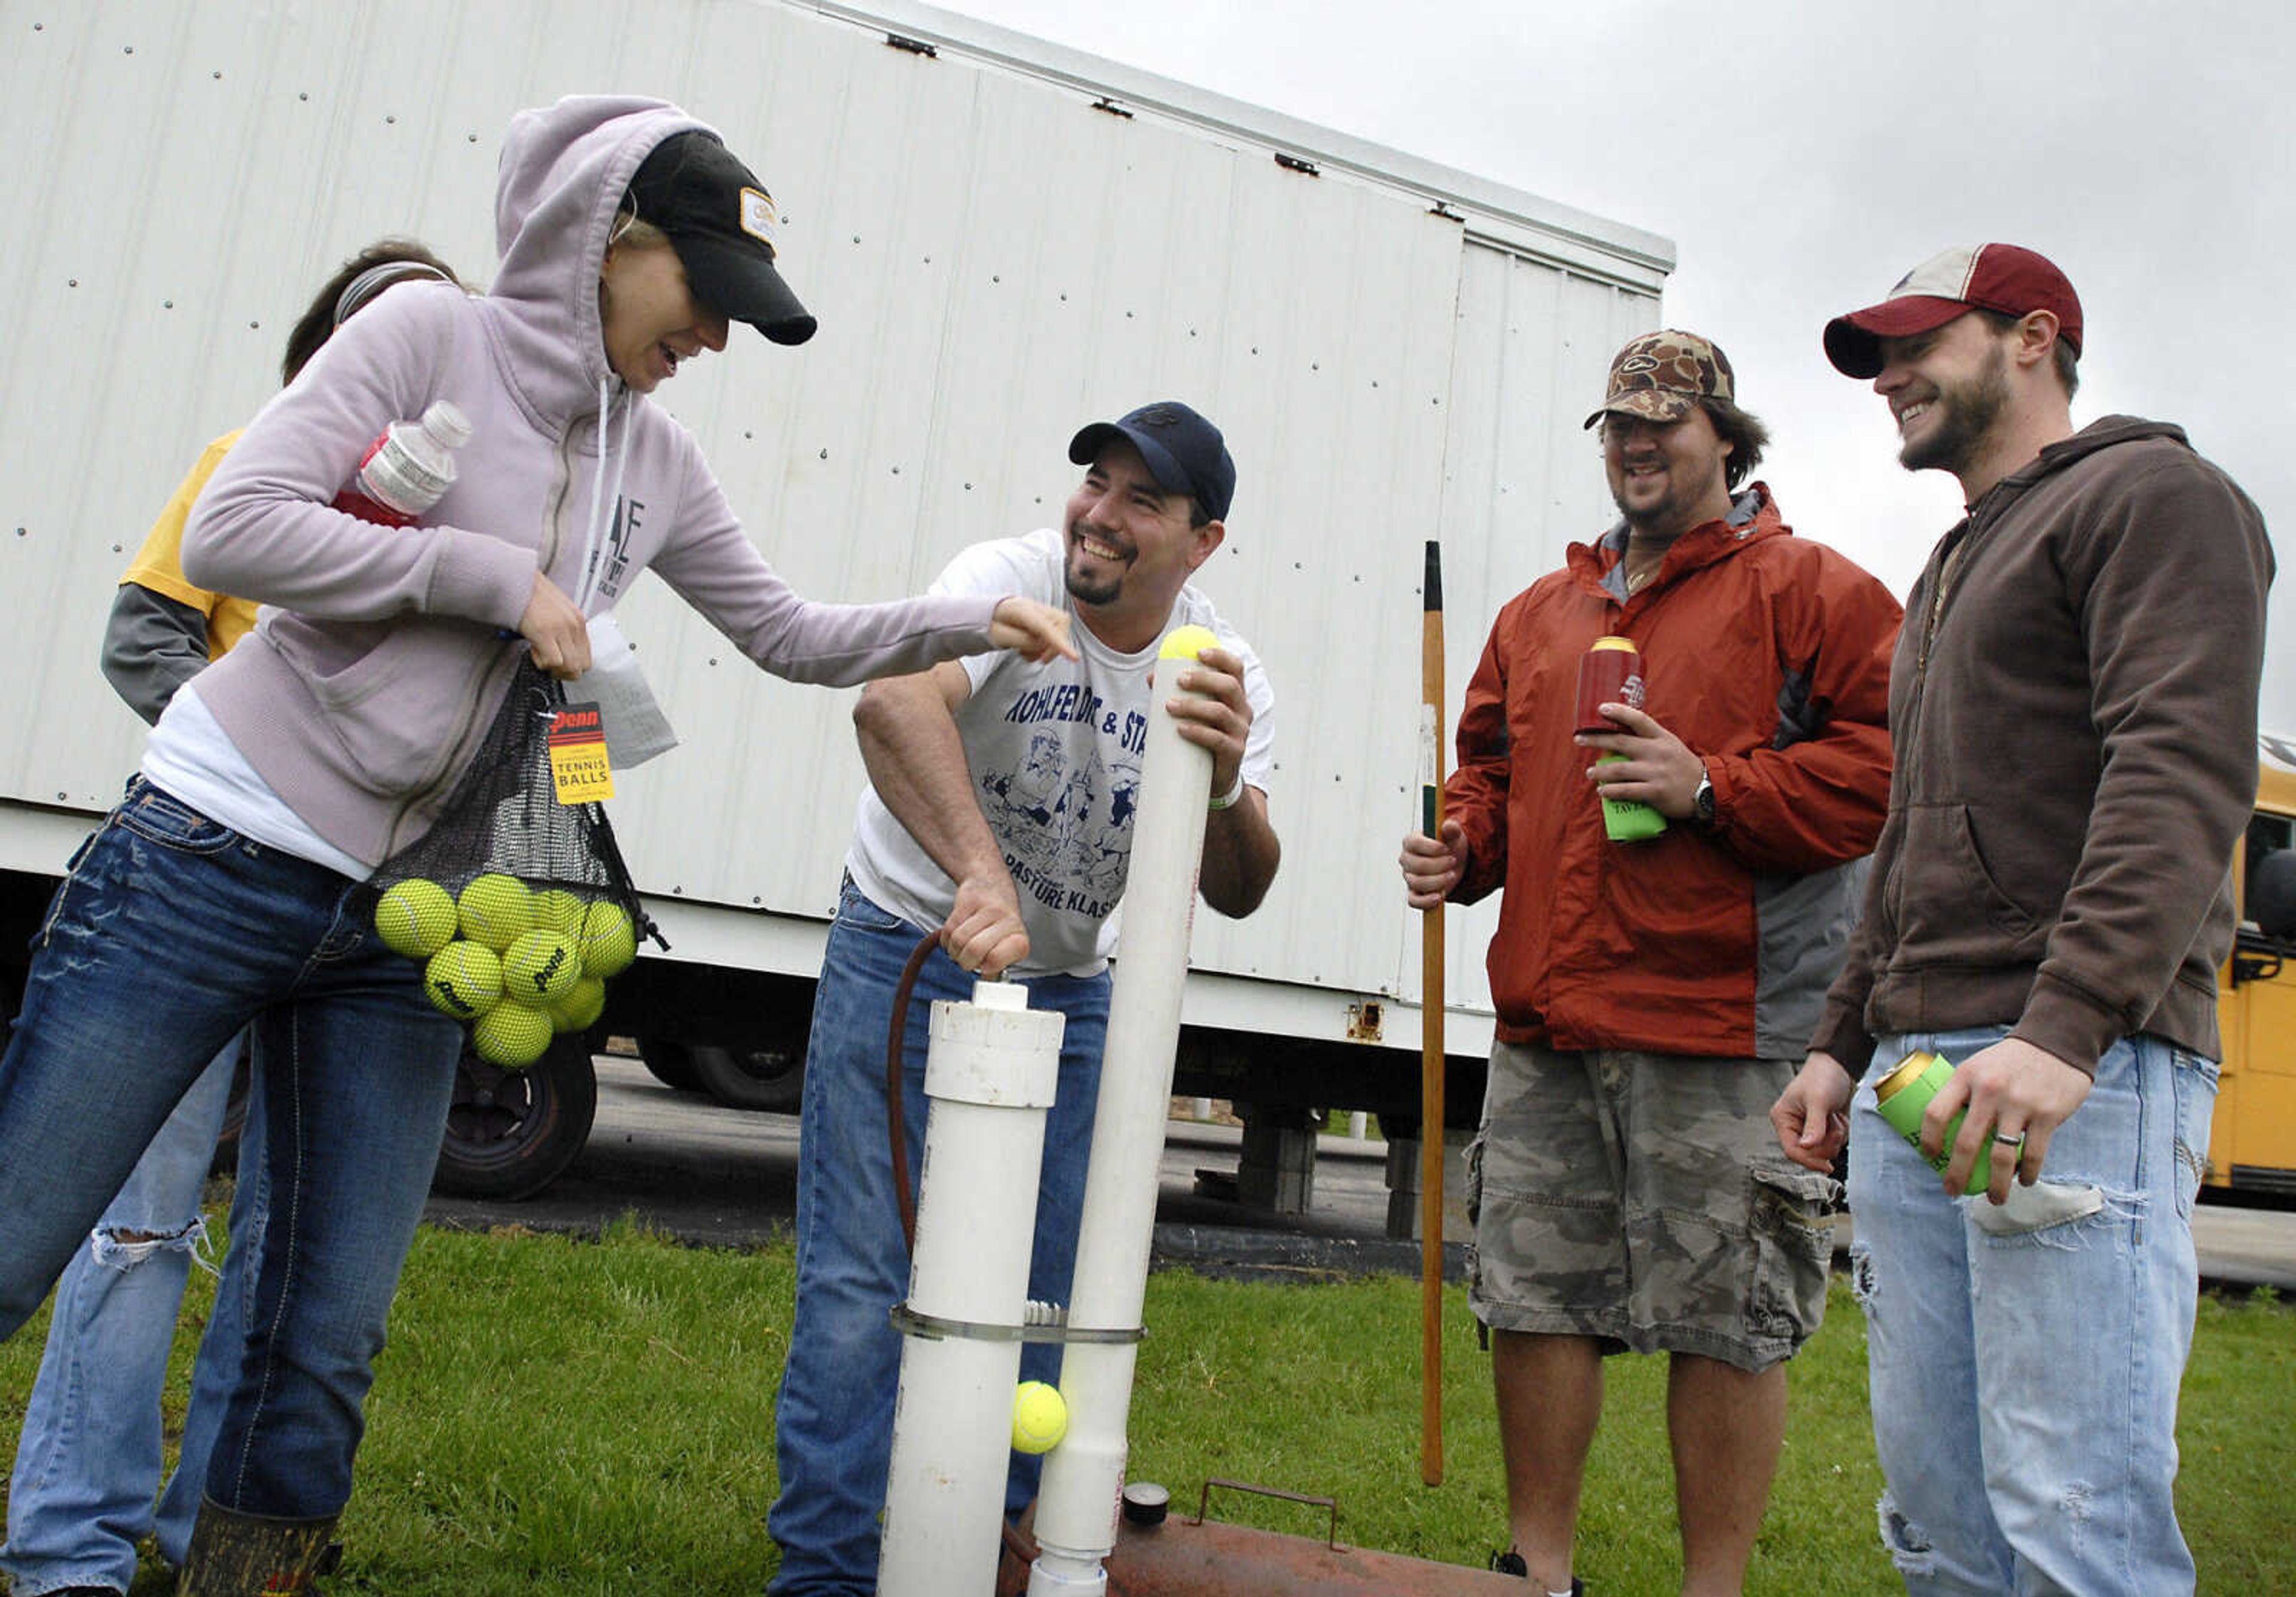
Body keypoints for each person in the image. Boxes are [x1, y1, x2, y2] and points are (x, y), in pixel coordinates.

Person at [0, 97, 1072, 1595]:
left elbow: (785, 631)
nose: (713, 336)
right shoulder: (428, 337)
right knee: (25, 1230)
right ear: (606, 241)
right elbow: (239, 528)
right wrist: (486, 575)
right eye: (701, 294)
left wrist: (963, 616)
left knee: (321, 1336)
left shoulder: (661, 460)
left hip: (400, 927)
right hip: (214, 851)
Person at [1772, 245, 2273, 1595]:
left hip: (2073, 1072)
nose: (1887, 378)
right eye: (1876, 356)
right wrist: (1838, 1041)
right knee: (1940, 1523)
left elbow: (2178, 768)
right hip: (1919, 1072)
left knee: (2073, 1525)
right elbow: (1913, 830)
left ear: (2034, 338)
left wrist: (2067, 1028)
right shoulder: (1947, 570)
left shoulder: (2155, 498)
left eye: (1916, 343)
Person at [1399, 332, 1900, 1597]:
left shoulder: (1816, 592)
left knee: (1726, 1318)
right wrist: (1466, 845)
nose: (1635, 445)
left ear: (1728, 441)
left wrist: (1713, 787)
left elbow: (1891, 770)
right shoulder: (1539, 610)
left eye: (1664, 426)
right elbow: (1494, 769)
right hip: (1550, 1024)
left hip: (1727, 1028)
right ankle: (1538, 1573)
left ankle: (1710, 1589)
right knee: (1535, 1299)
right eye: (1618, 425)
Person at [2, 240, 456, 1597]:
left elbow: (561, 703)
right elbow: (142, 635)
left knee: (300, 1272)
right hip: (215, 874)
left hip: (383, 931)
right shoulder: (248, 456)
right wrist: (274, 766)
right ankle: (69, 1548)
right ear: (325, 353)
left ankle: (223, 1555)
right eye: (377, 331)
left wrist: (548, 849)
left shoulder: (483, 511)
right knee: (134, 1229)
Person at [767, 401, 1282, 1595]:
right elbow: (890, 702)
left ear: (1203, 542)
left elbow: (1244, 888)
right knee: (862, 1279)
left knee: (1045, 1296)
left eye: (1140, 500)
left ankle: (980, 1552)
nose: (1097, 514)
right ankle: (828, 1574)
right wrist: (981, 877)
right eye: (1095, 482)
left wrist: (1223, 786)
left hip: (1070, 993)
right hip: (907, 940)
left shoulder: (1221, 667)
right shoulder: (1012, 582)